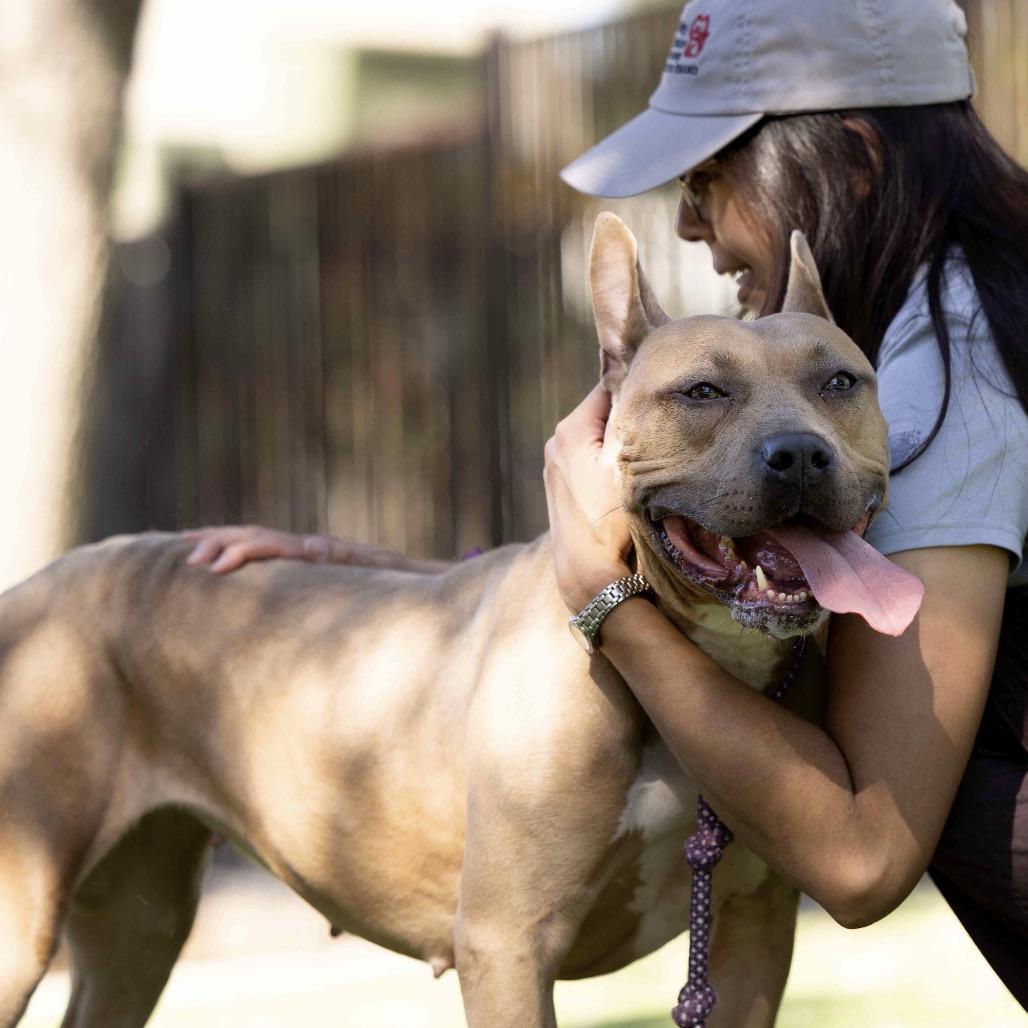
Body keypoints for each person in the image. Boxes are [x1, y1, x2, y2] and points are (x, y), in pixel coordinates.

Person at [186, 0, 1028, 1007]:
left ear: (849, 162)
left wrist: (607, 605)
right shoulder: (935, 320)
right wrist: (363, 569)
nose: (685, 220)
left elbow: (858, 855)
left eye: (709, 175)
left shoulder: (953, 362)